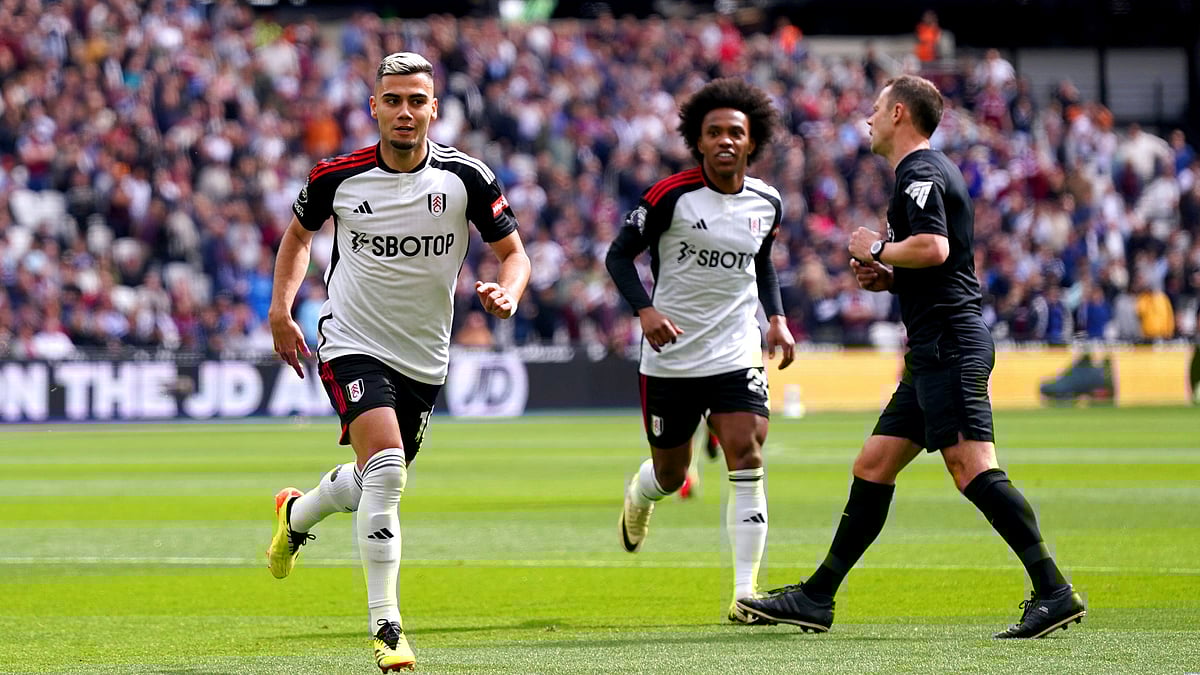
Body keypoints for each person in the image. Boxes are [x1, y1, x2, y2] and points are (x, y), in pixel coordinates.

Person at [737, 75, 1086, 639]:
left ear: (899, 113)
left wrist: (874, 246)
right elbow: (937, 266)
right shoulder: (927, 172)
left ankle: (1054, 590)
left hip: (948, 343)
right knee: (873, 465)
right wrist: (892, 278)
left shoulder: (919, 173)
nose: (868, 120)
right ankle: (817, 597)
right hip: (935, 346)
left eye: (876, 109)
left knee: (972, 468)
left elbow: (935, 248)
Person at [265, 52, 530, 672]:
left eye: (417, 100)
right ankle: (387, 627)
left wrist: (508, 291)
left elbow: (513, 253)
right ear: (374, 107)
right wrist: (282, 310)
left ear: (434, 108)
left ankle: (297, 513)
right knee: (385, 471)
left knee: (376, 479)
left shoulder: (468, 179)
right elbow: (298, 236)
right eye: (394, 100)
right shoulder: (338, 176)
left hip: (425, 357)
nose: (405, 112)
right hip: (351, 339)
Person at [605, 77, 796, 624]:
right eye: (714, 133)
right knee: (671, 473)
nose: (725, 141)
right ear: (700, 141)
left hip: (735, 350)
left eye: (735, 132)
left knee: (747, 451)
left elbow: (762, 262)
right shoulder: (670, 197)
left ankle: (745, 593)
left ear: (751, 140)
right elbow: (619, 257)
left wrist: (777, 319)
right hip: (671, 356)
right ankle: (640, 496)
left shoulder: (767, 201)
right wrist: (646, 311)